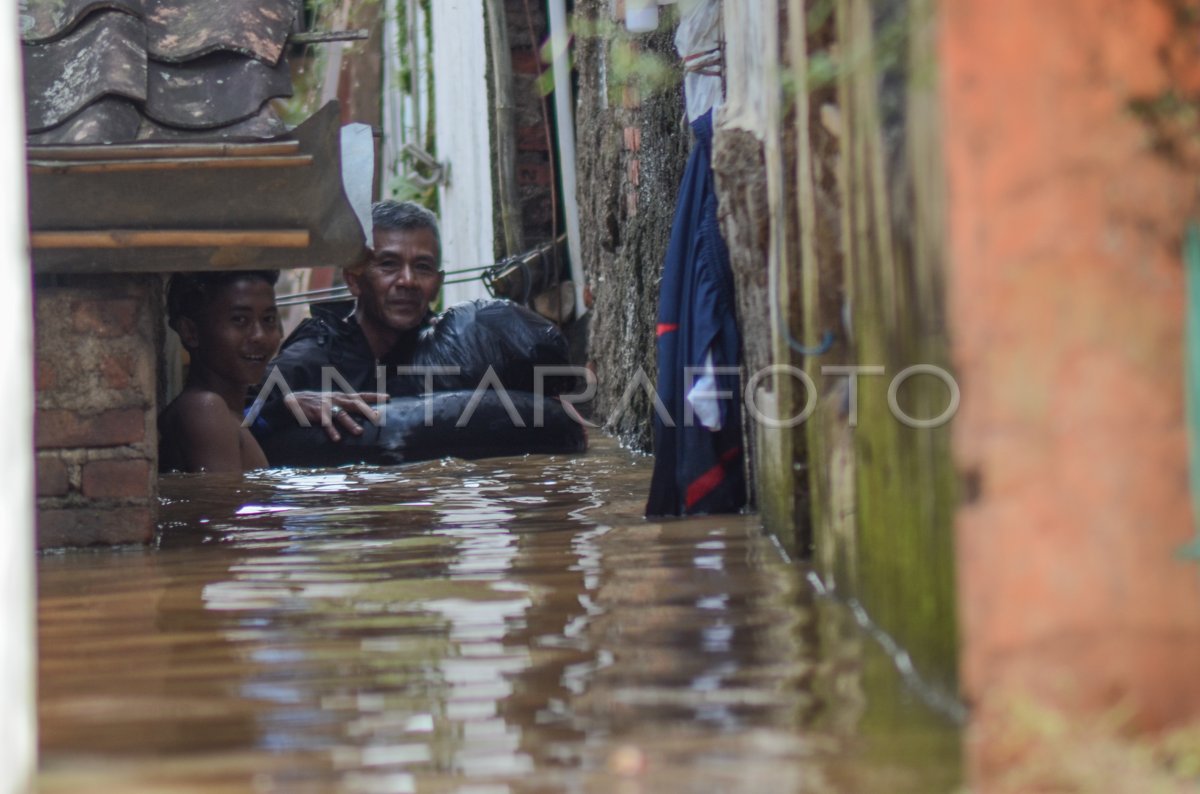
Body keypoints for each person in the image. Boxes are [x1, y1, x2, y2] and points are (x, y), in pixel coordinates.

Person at [249, 200, 445, 443]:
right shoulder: (309, 361)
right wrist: (285, 407)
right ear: (353, 278)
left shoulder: (450, 352)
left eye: (422, 267)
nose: (408, 280)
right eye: (388, 264)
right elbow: (229, 422)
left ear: (437, 284)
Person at [159, 270, 283, 473]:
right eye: (240, 320)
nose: (259, 336)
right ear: (190, 332)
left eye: (268, 319)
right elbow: (222, 504)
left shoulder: (227, 413)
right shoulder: (205, 409)